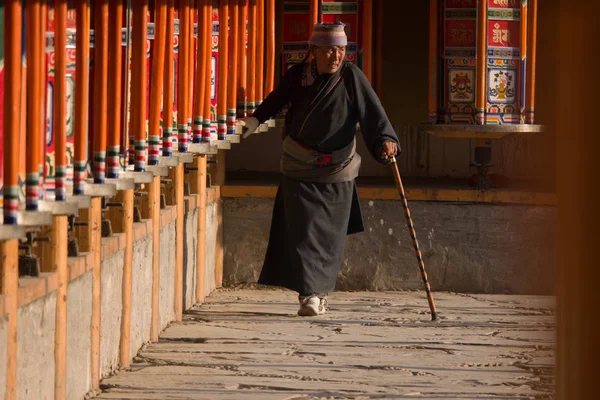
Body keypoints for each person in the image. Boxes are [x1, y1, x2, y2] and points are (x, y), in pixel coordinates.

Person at [238, 22, 399, 316]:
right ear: (313, 51)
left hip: (337, 170)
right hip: (299, 167)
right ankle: (309, 294)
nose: (335, 57)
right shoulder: (298, 77)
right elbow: (276, 100)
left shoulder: (352, 77)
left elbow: (373, 114)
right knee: (303, 234)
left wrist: (386, 140)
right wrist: (255, 119)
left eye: (340, 51)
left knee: (328, 238)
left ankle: (318, 294)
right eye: (328, 51)